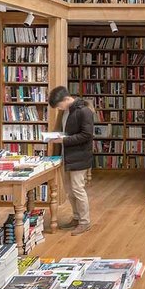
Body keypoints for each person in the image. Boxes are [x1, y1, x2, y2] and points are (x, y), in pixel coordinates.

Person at [49, 86, 94, 235]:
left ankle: (84, 221)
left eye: (59, 105)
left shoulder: (84, 111)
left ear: (66, 99)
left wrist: (64, 139)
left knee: (78, 189)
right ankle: (76, 217)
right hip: (66, 156)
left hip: (79, 156)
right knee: (69, 190)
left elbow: (86, 135)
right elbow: (66, 131)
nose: (58, 108)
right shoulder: (64, 112)